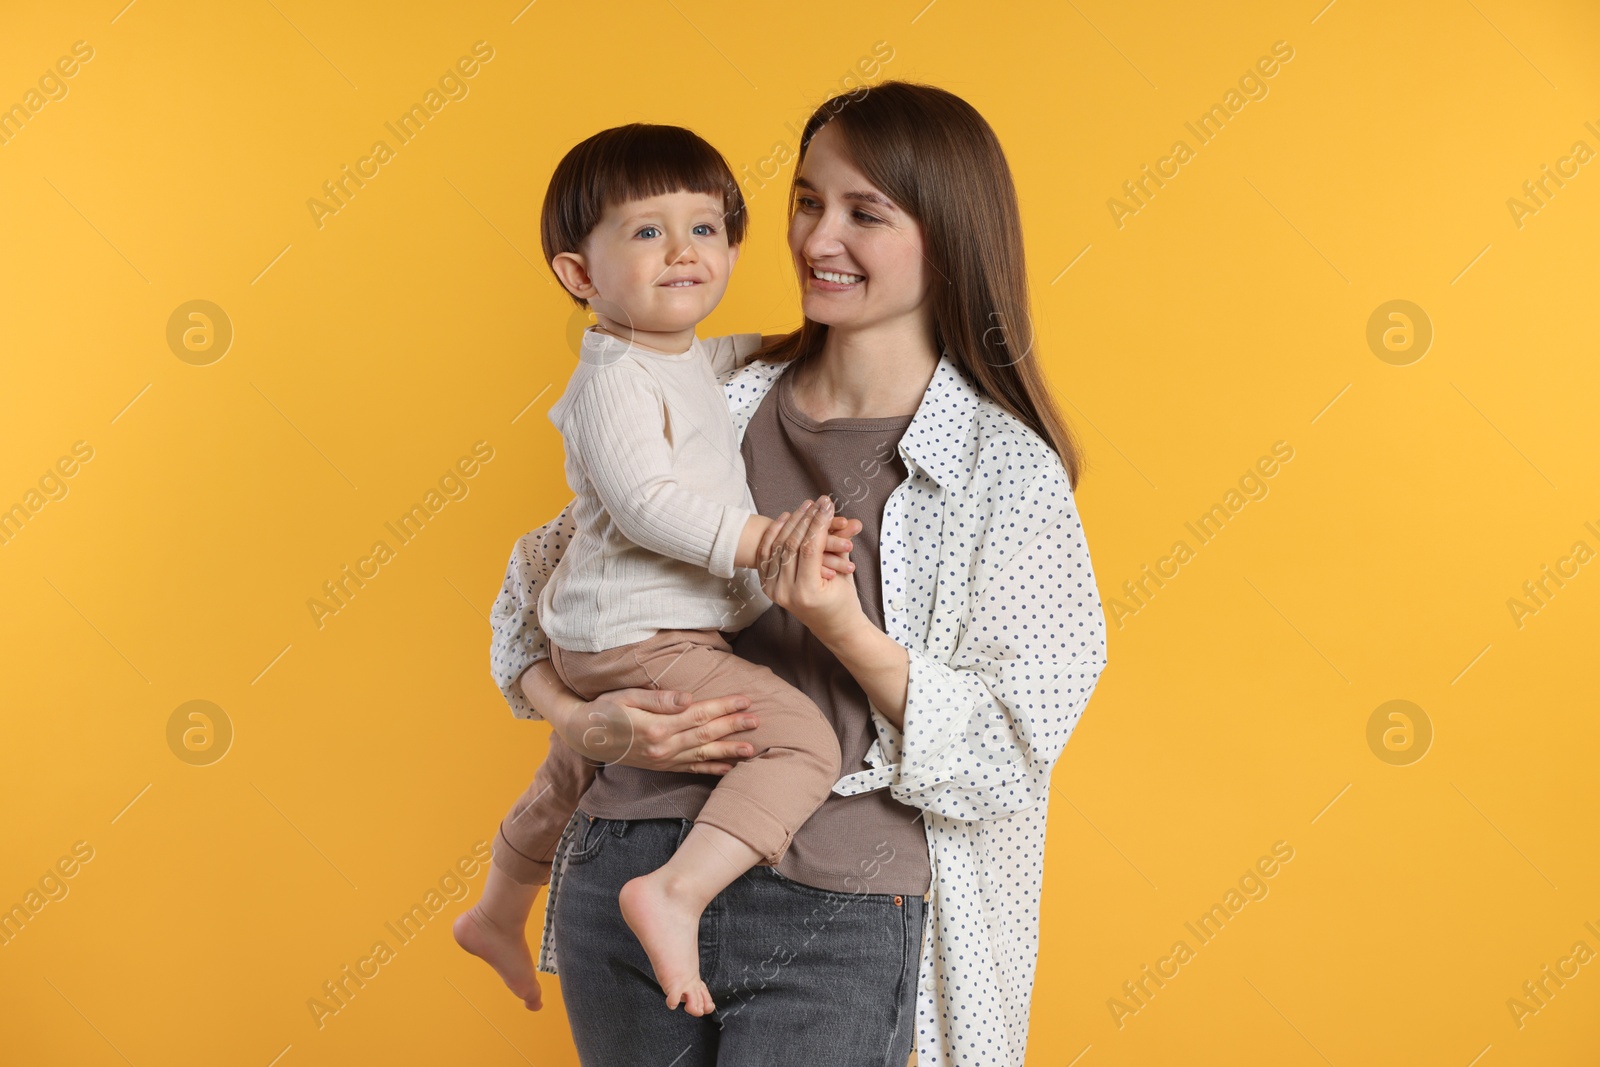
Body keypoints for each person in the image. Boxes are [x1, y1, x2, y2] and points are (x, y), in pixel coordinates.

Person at [489, 80, 1110, 1067]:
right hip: (629, 864)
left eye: (865, 213)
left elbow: (1001, 756)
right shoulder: (714, 390)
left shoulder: (1003, 470)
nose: (819, 238)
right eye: (807, 201)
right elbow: (534, 600)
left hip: (842, 905)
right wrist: (577, 721)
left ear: (945, 237)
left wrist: (839, 624)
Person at [454, 123, 865, 1016]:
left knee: (573, 766)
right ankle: (674, 893)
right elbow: (645, 503)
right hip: (645, 635)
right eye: (647, 232)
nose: (685, 251)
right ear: (580, 276)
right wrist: (764, 541)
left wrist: (793, 343)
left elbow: (715, 358)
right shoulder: (611, 382)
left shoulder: (668, 354)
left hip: (607, 642)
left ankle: (496, 907)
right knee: (803, 743)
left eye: (706, 228)